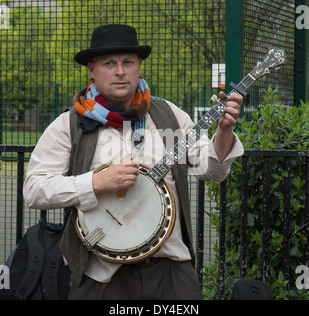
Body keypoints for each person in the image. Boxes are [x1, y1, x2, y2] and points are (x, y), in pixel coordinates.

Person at [23, 24, 244, 300]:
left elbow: (212, 171)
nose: (119, 71)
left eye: (128, 62)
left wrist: (224, 131)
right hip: (100, 276)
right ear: (91, 70)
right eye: (109, 63)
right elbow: (34, 189)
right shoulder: (68, 125)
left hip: (171, 273)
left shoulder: (170, 117)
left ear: (139, 65)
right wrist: (94, 182)